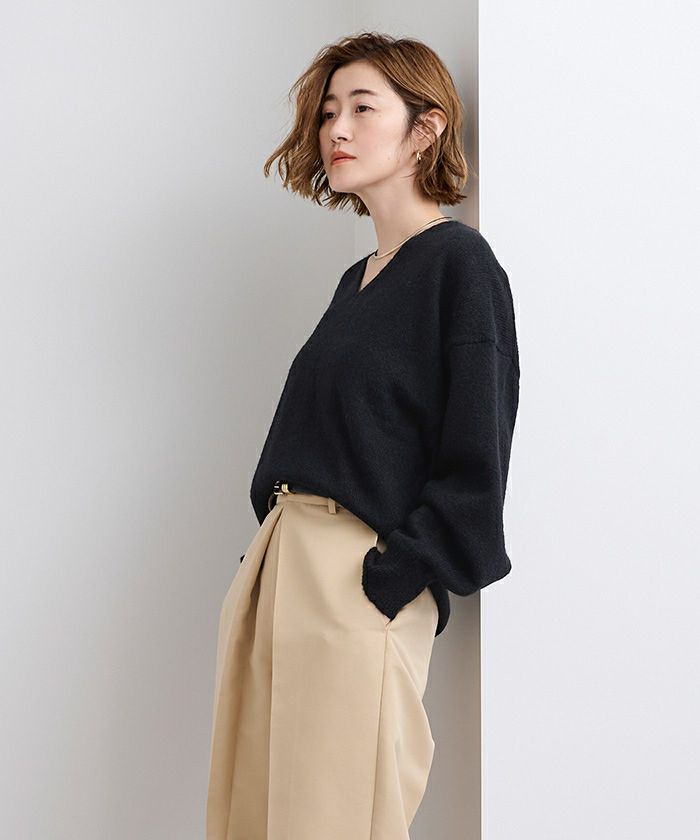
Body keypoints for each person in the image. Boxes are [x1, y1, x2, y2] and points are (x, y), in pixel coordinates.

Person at [206, 31, 520, 840]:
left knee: (334, 820)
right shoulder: (359, 279)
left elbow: (478, 455)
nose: (335, 129)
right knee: (254, 819)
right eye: (328, 113)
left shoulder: (459, 265)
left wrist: (390, 579)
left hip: (356, 583)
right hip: (284, 571)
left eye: (362, 108)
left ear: (426, 129)